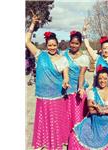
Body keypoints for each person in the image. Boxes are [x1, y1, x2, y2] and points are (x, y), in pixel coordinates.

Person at [26, 14, 70, 150]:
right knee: (43, 121)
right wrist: (32, 24)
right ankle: (43, 143)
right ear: (46, 45)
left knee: (55, 121)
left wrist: (65, 83)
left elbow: (66, 76)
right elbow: (27, 41)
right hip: (42, 95)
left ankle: (55, 144)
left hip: (57, 95)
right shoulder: (40, 55)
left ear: (57, 45)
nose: (51, 47)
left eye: (54, 45)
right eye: (49, 45)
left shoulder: (63, 59)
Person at [58, 30, 90, 135]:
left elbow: (82, 74)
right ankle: (66, 136)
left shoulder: (84, 58)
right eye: (72, 43)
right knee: (67, 114)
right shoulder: (64, 55)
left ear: (80, 44)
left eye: (76, 43)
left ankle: (77, 137)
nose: (74, 45)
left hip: (78, 91)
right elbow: (63, 72)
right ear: (69, 42)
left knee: (77, 115)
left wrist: (80, 88)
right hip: (66, 90)